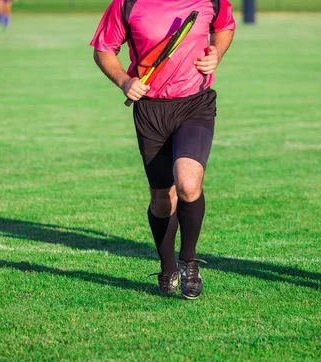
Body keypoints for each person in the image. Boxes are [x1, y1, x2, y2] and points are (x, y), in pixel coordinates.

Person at [91, 0, 235, 299]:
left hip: (195, 104)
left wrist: (216, 53)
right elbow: (104, 49)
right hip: (150, 110)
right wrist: (124, 81)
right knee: (161, 200)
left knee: (188, 183)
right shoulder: (127, 4)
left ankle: (189, 262)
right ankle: (168, 266)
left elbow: (224, 27)